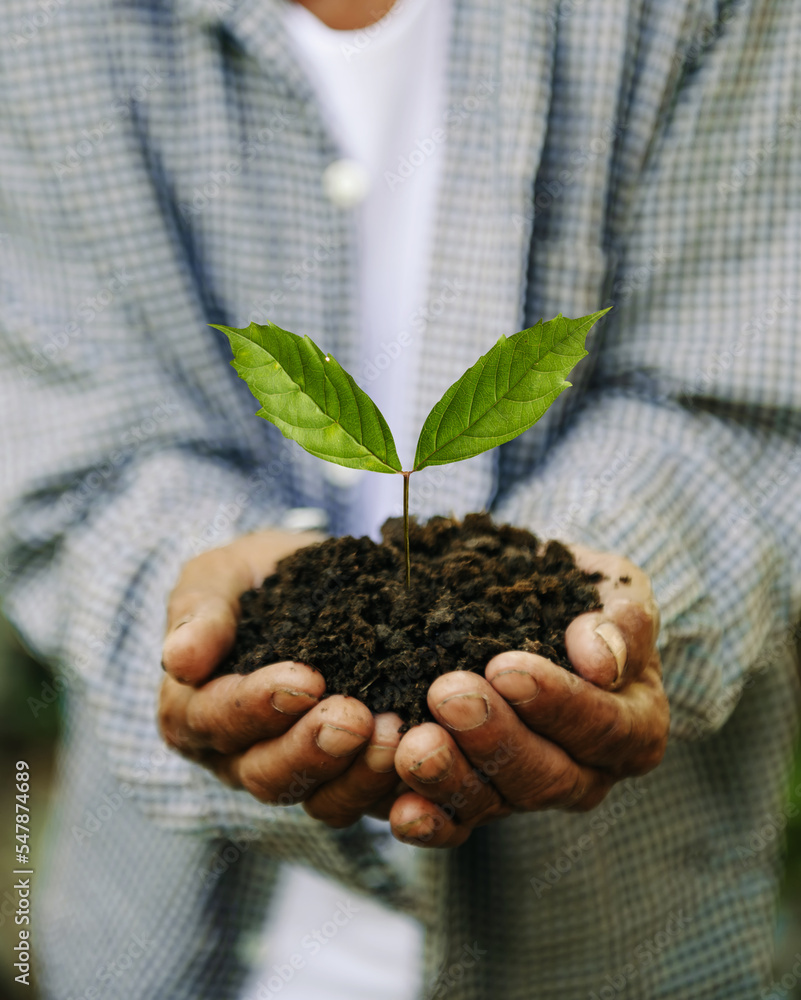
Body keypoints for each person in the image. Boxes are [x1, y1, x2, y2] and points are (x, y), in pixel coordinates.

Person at [0, 0, 799, 997]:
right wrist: (185, 582)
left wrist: (624, 577)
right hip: (156, 944)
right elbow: (69, 449)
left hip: (622, 945)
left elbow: (735, 400)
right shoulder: (39, 24)